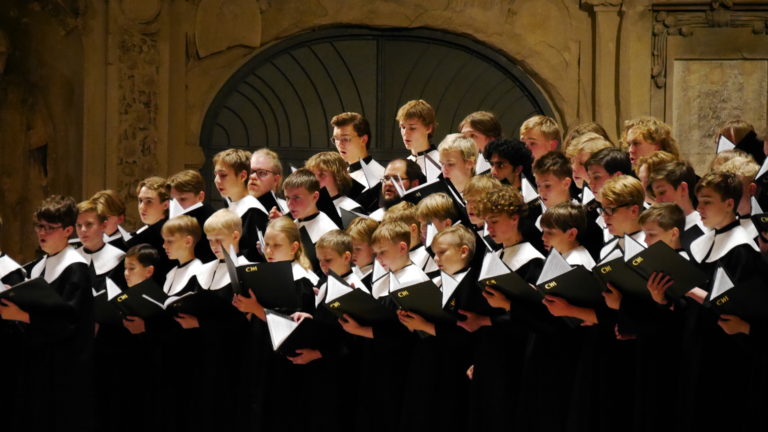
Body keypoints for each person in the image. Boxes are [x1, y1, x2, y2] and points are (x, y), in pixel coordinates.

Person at [0, 195, 94, 432]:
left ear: (67, 230)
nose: (42, 232)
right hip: (39, 364)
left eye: (49, 228)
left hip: (63, 371)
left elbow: (69, 324)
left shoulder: (75, 268)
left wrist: (23, 316)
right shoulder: (40, 265)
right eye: (39, 226)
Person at [232, 216, 319, 432]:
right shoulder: (267, 273)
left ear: (294, 247)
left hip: (285, 364)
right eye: (267, 245)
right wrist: (246, 310)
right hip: (261, 355)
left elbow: (296, 327)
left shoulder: (303, 280)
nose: (269, 251)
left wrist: (256, 310)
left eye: (277, 245)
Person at [281, 168, 341, 273]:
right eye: (287, 198)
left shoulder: (329, 231)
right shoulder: (291, 225)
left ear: (315, 196)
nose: (290, 204)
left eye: (296, 197)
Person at [214, 148, 270, 258]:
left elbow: (253, 258)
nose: (216, 180)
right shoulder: (230, 205)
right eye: (215, 174)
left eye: (223, 175)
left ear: (242, 176)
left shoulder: (253, 211)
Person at [648, 160, 708, 249]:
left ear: (683, 189)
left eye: (662, 192)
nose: (658, 201)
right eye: (655, 195)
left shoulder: (704, 229)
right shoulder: (658, 231)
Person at [125, 176, 173, 284]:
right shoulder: (142, 233)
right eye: (140, 201)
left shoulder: (166, 235)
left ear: (166, 205)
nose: (142, 206)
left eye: (149, 201)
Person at [167, 169, 216, 263]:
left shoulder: (213, 222)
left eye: (182, 199)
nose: (176, 206)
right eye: (173, 200)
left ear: (200, 197)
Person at [330, 112, 386, 188]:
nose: (339, 144)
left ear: (363, 140)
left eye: (345, 139)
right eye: (336, 139)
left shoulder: (378, 177)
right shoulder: (344, 174)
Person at [397, 99, 441, 180]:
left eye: (412, 128)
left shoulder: (441, 162)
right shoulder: (403, 165)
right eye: (403, 127)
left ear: (428, 128)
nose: (405, 133)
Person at [248, 148, 288, 213]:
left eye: (262, 173)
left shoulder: (288, 211)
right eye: (250, 172)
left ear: (275, 180)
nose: (252, 176)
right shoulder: (233, 207)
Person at [344, 216, 379, 289]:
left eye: (357, 249)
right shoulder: (350, 270)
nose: (352, 253)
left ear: (374, 247)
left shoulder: (378, 276)